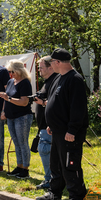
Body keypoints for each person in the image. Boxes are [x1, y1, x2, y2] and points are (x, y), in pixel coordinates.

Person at [36, 48, 88, 200]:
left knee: (70, 165)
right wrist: (52, 124)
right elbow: (56, 103)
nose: (51, 65)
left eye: (52, 62)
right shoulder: (59, 78)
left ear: (58, 62)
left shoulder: (75, 79)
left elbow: (78, 108)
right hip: (57, 131)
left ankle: (77, 198)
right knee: (56, 164)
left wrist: (72, 130)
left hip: (69, 133)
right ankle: (55, 192)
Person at [0, 59, 33, 179]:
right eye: (9, 72)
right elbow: (5, 99)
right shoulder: (11, 81)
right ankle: (19, 166)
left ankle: (25, 169)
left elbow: (24, 102)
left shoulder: (25, 83)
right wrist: (4, 111)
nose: (10, 74)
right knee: (16, 143)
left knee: (23, 143)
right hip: (11, 117)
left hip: (22, 116)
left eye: (12, 71)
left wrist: (8, 99)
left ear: (18, 70)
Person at [32, 56, 58, 189]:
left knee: (46, 151)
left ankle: (50, 180)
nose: (39, 70)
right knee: (45, 151)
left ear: (50, 67)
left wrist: (41, 102)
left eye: (41, 67)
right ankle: (50, 179)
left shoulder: (55, 82)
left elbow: (56, 104)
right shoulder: (47, 82)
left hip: (49, 127)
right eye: (38, 67)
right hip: (43, 126)